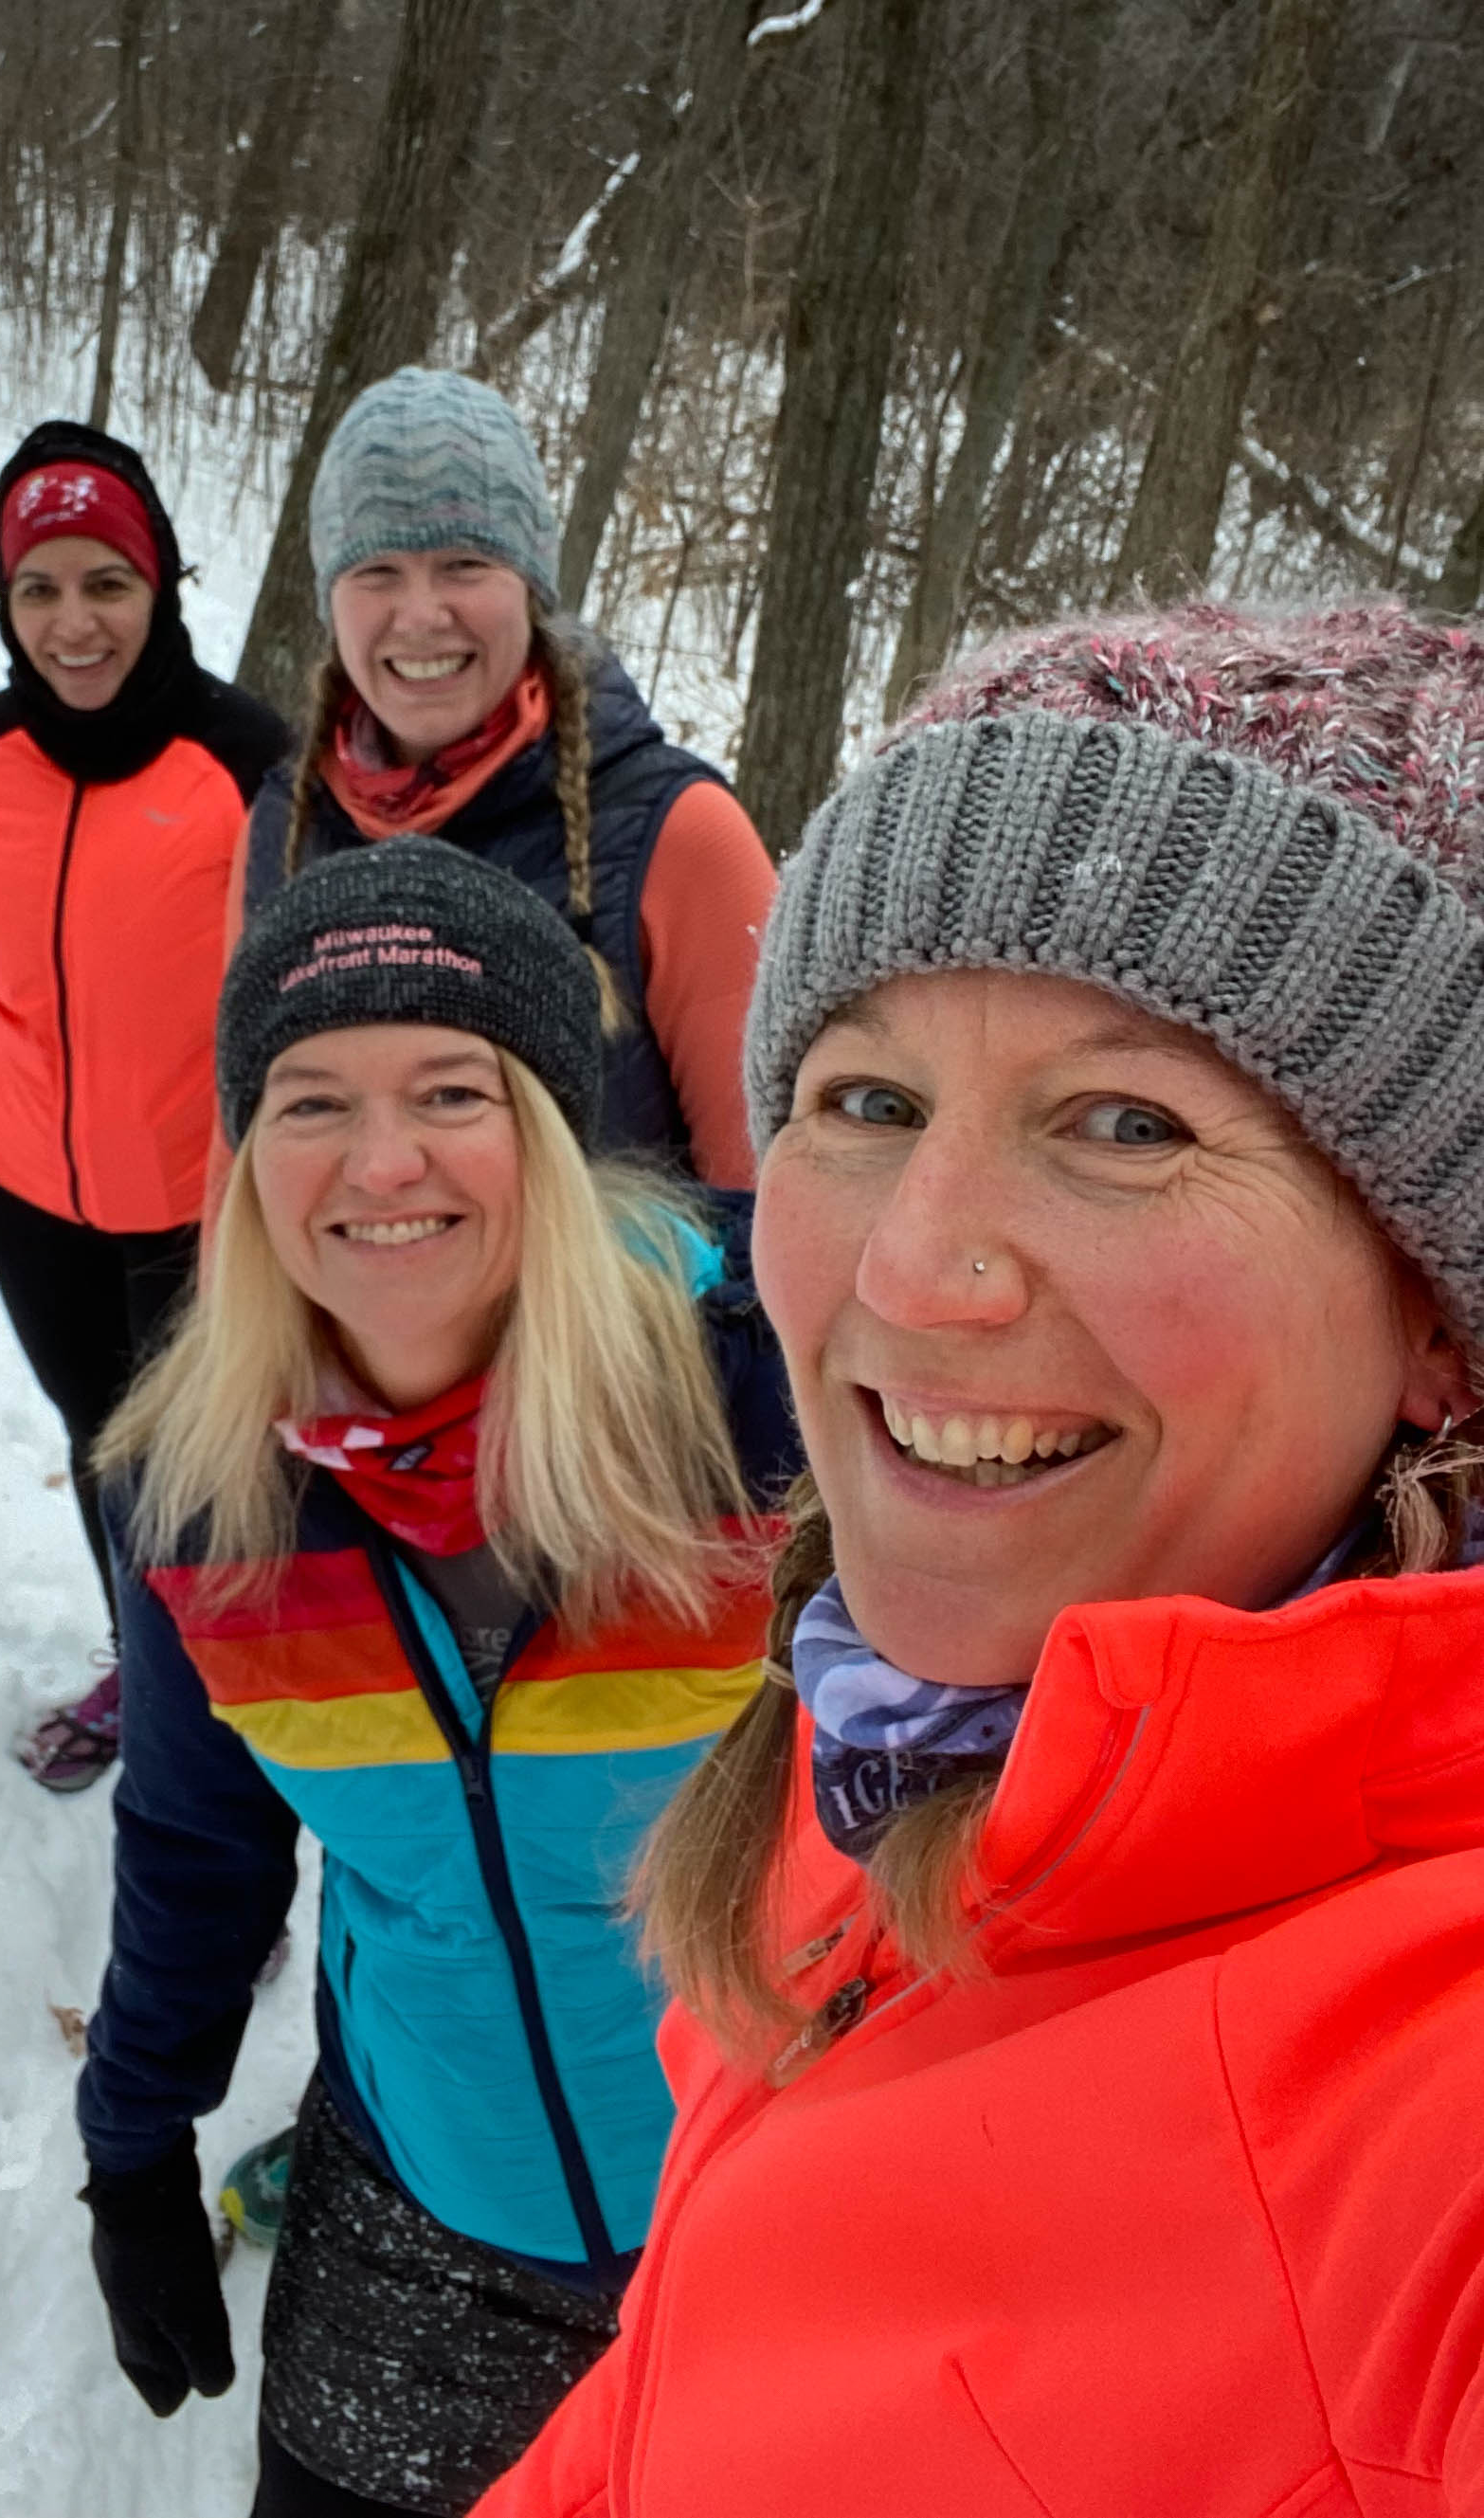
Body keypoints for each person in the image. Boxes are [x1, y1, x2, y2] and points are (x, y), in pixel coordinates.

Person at [479, 601, 1484, 2518]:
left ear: (1438, 1311)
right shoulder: (888, 1724)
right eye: (867, 1100)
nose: (915, 1266)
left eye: (1127, 1122)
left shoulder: (1431, 2100)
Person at [75, 839, 799, 2516]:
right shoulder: (202, 1493)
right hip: (423, 2228)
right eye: (311, 1100)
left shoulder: (762, 1407)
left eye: (449, 1089)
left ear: (547, 1126)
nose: (379, 1158)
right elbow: (195, 1853)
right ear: (250, 1154)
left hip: (765, 2205)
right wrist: (130, 2151)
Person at [0, 419, 286, 1789]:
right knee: (108, 1465)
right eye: (38, 587)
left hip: (206, 1218)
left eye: (106, 581)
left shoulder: (248, 764)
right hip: (29, 1200)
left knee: (210, 1499)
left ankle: (222, 1778)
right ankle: (154, 1687)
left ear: (161, 581)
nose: (75, 621)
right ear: (3, 602)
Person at [225, 365, 777, 1199]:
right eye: (376, 572)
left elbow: (771, 1213)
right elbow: (234, 1170)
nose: (420, 614)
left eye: (465, 563)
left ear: (532, 587)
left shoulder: (678, 836)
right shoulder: (284, 825)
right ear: (331, 601)